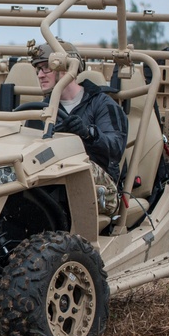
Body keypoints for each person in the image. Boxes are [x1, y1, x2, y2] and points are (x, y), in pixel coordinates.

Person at [31, 40, 128, 217]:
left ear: (68, 69)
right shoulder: (43, 109)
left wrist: (88, 133)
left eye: (46, 68)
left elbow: (116, 149)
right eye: (38, 69)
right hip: (52, 182)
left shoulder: (102, 104)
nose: (40, 75)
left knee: (72, 166)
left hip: (102, 188)